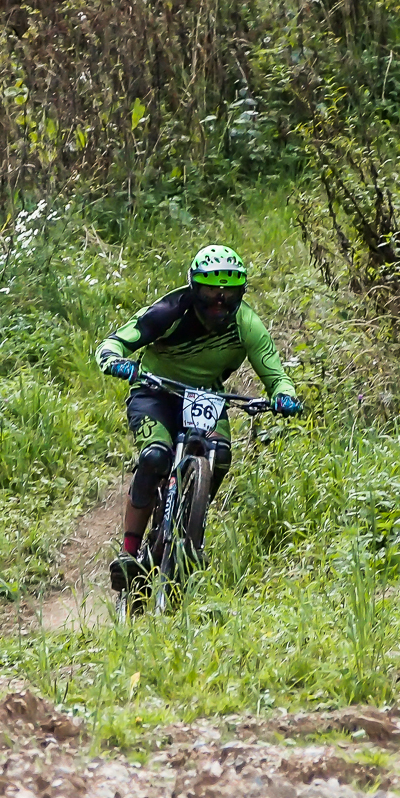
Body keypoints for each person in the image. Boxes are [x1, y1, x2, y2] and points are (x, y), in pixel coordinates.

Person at [95, 244, 302, 593]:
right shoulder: (169, 311)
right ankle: (129, 552)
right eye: (210, 292)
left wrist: (285, 395)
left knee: (220, 456)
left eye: (229, 293)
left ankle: (193, 525)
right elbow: (115, 342)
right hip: (156, 392)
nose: (219, 301)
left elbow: (275, 374)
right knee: (154, 456)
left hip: (207, 397)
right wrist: (115, 360)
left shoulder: (246, 324)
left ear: (241, 292)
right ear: (194, 287)